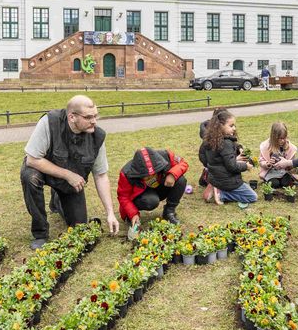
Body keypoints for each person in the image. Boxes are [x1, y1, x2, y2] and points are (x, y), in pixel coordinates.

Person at [21, 95, 119, 249]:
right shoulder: (49, 122)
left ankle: (57, 199)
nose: (94, 121)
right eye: (88, 117)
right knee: (30, 177)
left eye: (96, 115)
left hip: (68, 182)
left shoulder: (97, 136)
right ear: (72, 117)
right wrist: (68, 175)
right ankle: (40, 233)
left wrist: (110, 213)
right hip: (42, 169)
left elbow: (101, 175)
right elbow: (32, 160)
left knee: (79, 226)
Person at [117, 148, 189, 239]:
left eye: (154, 174)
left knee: (180, 180)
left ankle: (169, 212)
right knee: (151, 201)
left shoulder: (165, 156)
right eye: (146, 177)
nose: (151, 178)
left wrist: (172, 174)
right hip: (142, 196)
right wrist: (133, 214)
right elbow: (123, 197)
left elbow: (183, 163)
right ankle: (132, 217)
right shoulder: (127, 173)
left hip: (161, 188)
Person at [199, 110, 257, 205]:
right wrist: (246, 166)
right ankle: (221, 194)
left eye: (234, 125)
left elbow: (203, 156)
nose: (234, 128)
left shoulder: (211, 138)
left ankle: (214, 186)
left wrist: (239, 148)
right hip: (227, 180)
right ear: (221, 126)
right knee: (252, 196)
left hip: (214, 177)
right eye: (231, 126)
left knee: (245, 186)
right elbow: (232, 166)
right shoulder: (226, 143)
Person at [259, 121, 298, 188]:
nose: (282, 140)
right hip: (271, 173)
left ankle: (285, 180)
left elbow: (292, 163)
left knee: (286, 183)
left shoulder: (290, 148)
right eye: (280, 138)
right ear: (274, 137)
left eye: (284, 138)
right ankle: (268, 180)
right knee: (275, 184)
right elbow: (261, 161)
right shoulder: (266, 147)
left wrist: (289, 165)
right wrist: (267, 164)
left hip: (284, 172)